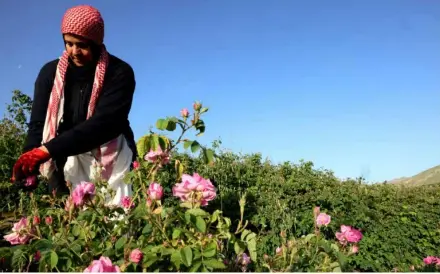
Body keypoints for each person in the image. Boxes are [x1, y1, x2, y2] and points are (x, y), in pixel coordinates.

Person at [12, 5, 137, 205]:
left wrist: (47, 151)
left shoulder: (119, 72)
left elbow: (106, 123)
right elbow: (38, 123)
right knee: (71, 223)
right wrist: (30, 159)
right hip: (63, 159)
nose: (74, 51)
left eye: (82, 45)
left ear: (97, 43)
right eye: (69, 43)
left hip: (111, 156)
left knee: (115, 223)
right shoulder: (50, 73)